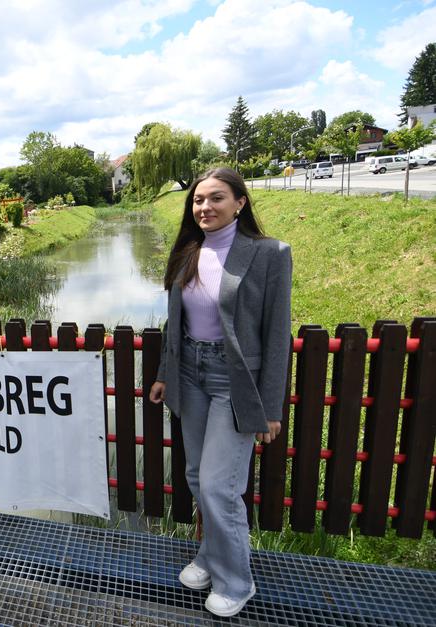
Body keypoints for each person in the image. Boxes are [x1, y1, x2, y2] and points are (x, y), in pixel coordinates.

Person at [148, 167, 291, 618]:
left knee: (218, 486)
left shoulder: (269, 254)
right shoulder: (188, 249)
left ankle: (236, 581)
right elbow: (178, 322)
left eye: (216, 198)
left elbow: (277, 335)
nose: (204, 207)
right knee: (195, 476)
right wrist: (164, 373)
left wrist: (269, 407)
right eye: (197, 201)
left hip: (235, 380)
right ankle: (210, 558)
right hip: (189, 372)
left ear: (240, 202)